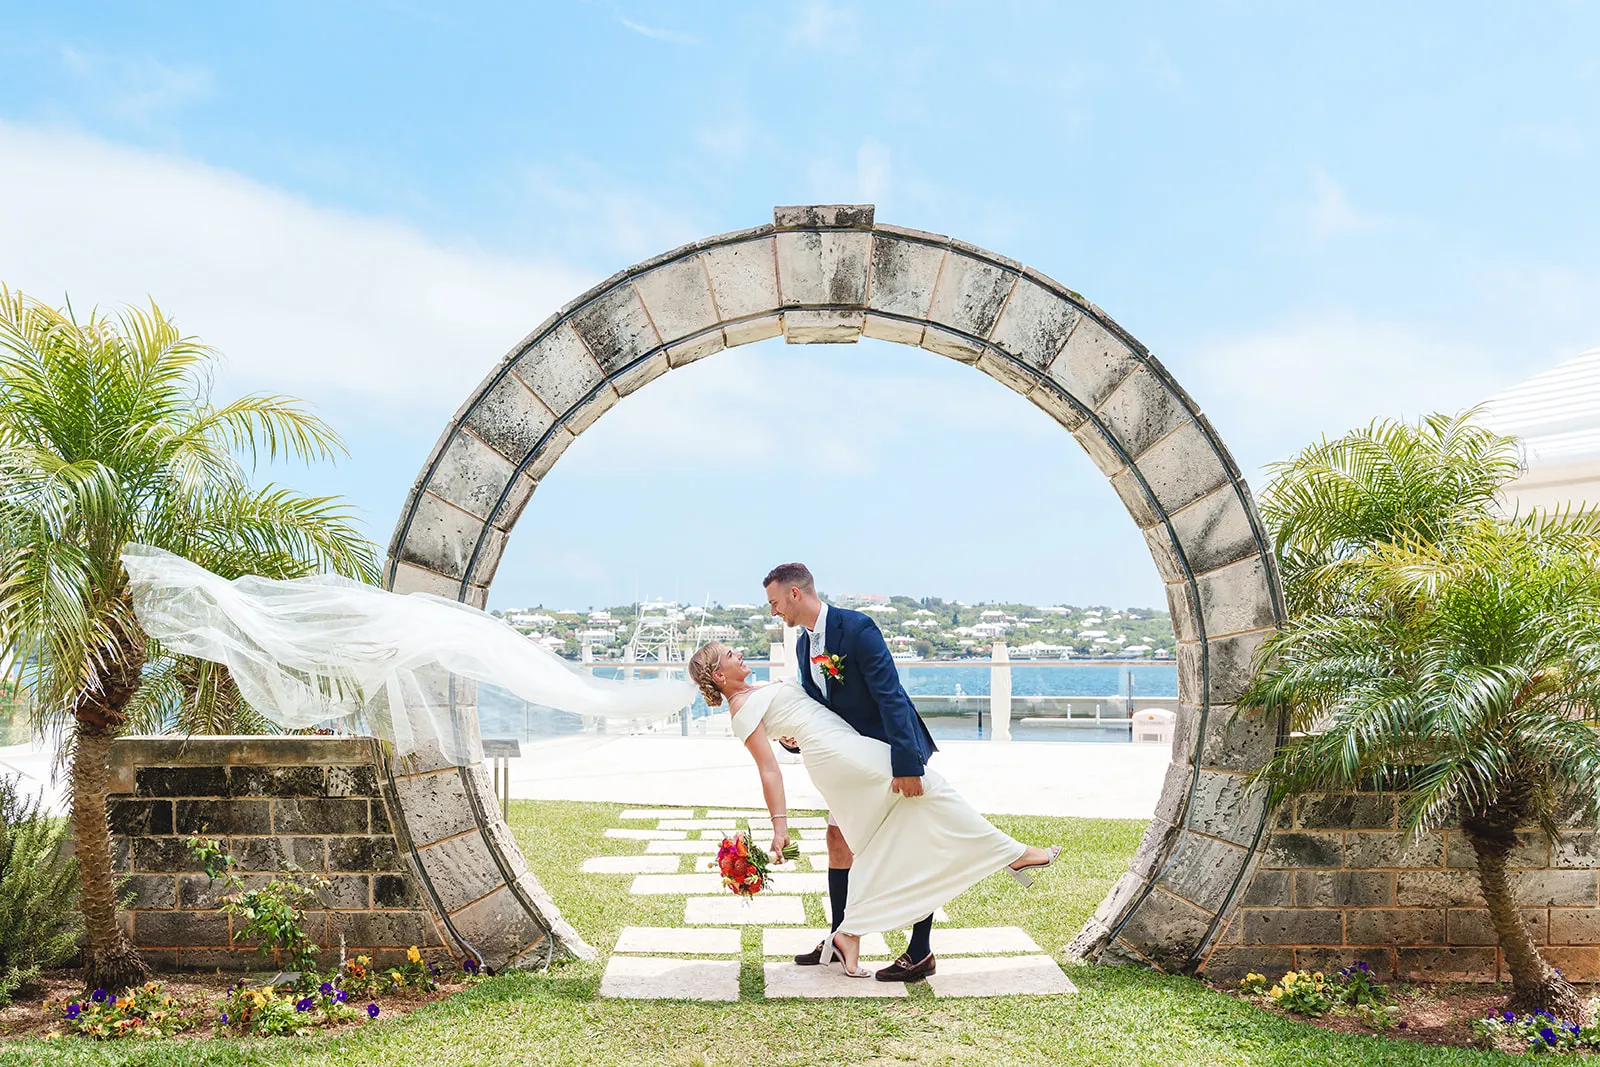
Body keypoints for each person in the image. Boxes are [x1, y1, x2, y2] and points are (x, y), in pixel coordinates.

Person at [688, 631, 1060, 980]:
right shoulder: (741, 711)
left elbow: (796, 716)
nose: (738, 653)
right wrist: (780, 827)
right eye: (729, 654)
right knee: (928, 790)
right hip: (840, 755)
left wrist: (790, 734)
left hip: (841, 748)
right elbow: (768, 770)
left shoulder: (756, 689)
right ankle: (1012, 854)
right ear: (719, 675)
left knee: (874, 841)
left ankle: (848, 935)